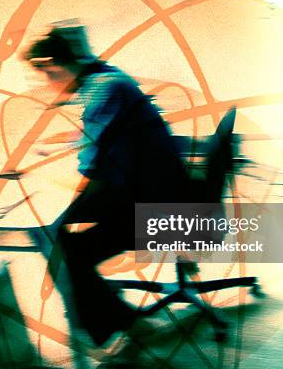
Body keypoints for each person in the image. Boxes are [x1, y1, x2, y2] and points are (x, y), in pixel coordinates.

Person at [23, 23, 234, 348]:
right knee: (66, 241)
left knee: (56, 238)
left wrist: (55, 199)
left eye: (42, 76)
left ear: (52, 66)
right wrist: (57, 144)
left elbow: (98, 176)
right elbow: (97, 137)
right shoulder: (109, 79)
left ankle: (124, 324)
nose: (43, 86)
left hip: (163, 212)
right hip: (173, 196)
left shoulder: (102, 92)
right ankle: (106, 304)